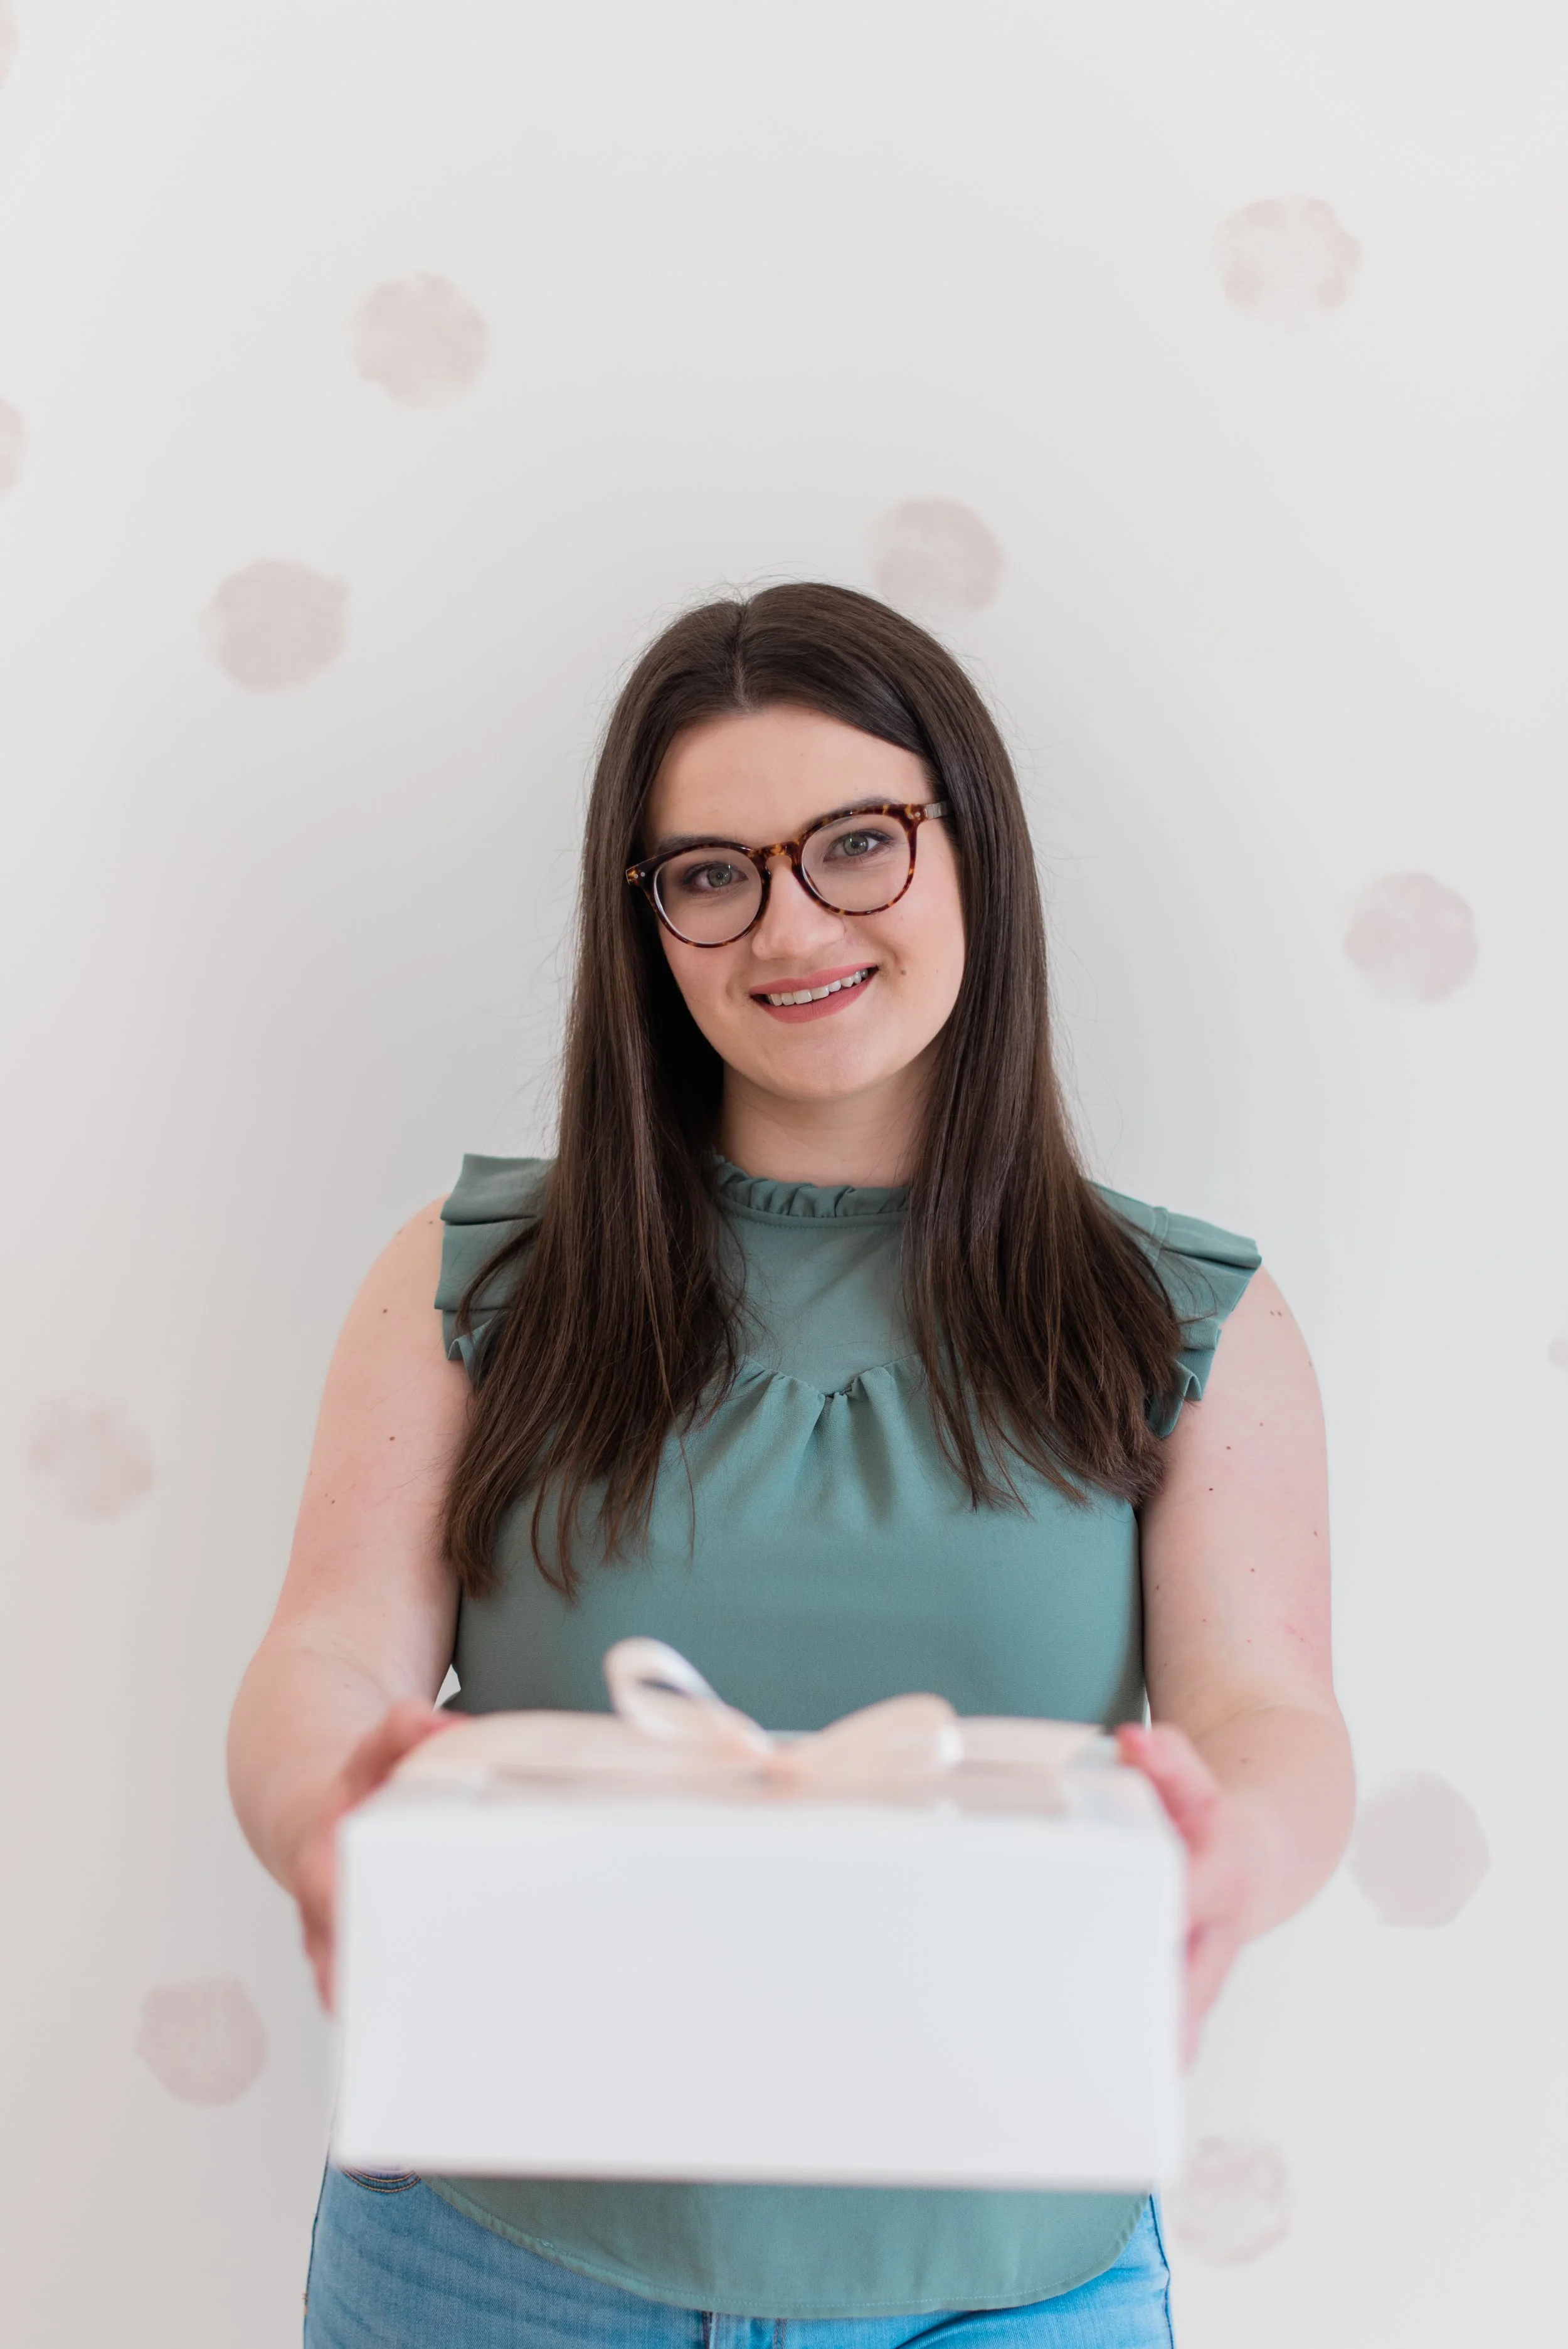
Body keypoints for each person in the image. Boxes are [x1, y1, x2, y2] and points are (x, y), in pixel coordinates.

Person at [228, 583, 1353, 2348]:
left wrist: (1237, 1853)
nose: (786, 923)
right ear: (648, 921)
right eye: (708, 872)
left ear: (971, 845)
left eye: (854, 843)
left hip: (1007, 2288)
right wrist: (326, 1815)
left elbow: (1267, 1714)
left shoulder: (1181, 1315)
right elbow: (325, 1654)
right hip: (495, 2260)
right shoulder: (474, 1272)